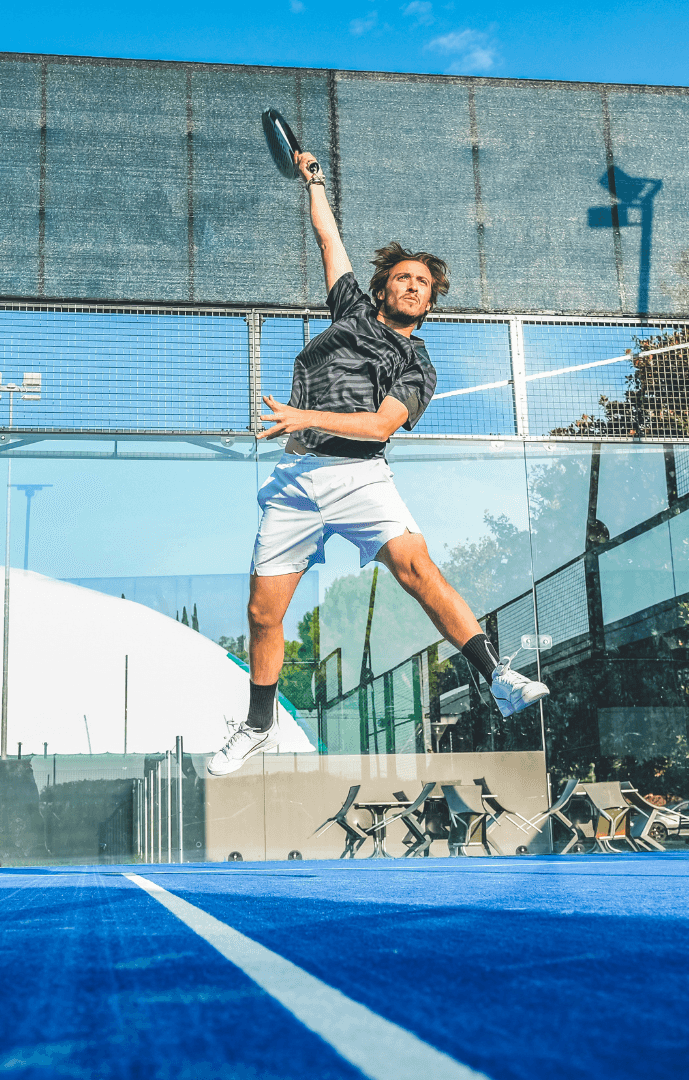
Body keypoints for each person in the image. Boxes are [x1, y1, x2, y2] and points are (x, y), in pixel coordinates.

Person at [209, 148, 550, 777]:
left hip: (361, 474)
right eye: (404, 277)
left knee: (418, 568)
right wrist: (312, 179)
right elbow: (328, 236)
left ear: (430, 302)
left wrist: (303, 415)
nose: (414, 286)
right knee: (262, 614)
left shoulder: (419, 367)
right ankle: (257, 725)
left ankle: (497, 675)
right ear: (383, 288)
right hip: (296, 482)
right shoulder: (352, 313)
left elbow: (376, 426)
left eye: (424, 283)